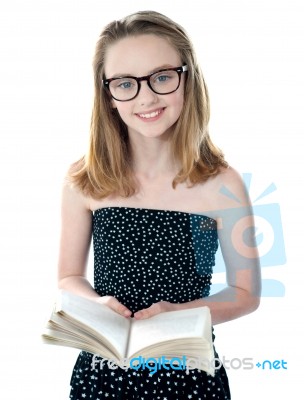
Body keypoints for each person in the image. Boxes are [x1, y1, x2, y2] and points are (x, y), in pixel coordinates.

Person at [57, 10, 261, 400]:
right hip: (103, 372)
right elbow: (68, 278)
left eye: (162, 77)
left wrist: (179, 314)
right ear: (108, 95)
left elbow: (245, 293)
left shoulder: (223, 183)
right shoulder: (85, 179)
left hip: (187, 375)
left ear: (188, 79)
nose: (146, 97)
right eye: (125, 83)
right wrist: (98, 303)